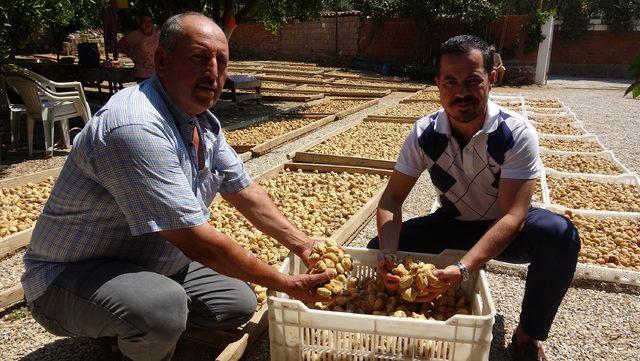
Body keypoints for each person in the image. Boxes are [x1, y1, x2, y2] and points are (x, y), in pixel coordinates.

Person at [21, 12, 333, 361]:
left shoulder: (202, 122)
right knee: (162, 309)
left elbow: (244, 190)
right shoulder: (135, 127)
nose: (213, 72)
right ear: (161, 61)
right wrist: (285, 283)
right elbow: (199, 243)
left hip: (146, 261)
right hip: (68, 277)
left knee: (235, 301)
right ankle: (137, 334)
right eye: (199, 58)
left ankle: (131, 331)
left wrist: (303, 244)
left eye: (221, 61)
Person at [368, 35, 579, 361]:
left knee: (558, 236)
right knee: (376, 249)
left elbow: (512, 216)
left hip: (505, 227)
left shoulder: (515, 133)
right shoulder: (425, 134)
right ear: (437, 84)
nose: (460, 93)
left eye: (472, 81)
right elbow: (392, 199)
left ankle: (527, 336)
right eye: (450, 82)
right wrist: (388, 253)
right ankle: (414, 314)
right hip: (453, 222)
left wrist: (463, 269)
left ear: (492, 78)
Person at [118, 13, 160, 83]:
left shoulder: (158, 34)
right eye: (144, 21)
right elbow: (121, 44)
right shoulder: (134, 35)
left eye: (149, 21)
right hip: (142, 74)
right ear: (140, 23)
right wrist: (132, 57)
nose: (147, 24)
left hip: (158, 73)